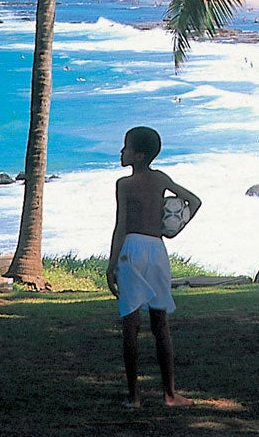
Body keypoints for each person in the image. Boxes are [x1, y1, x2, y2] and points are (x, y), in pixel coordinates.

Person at [108, 125, 202, 408]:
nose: (121, 152)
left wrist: (112, 264)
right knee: (161, 324)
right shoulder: (161, 178)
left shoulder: (123, 184)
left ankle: (134, 396)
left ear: (137, 155)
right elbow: (194, 201)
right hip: (157, 249)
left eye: (126, 147)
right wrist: (173, 227)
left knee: (131, 324)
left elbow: (121, 225)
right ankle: (170, 394)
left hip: (132, 249)